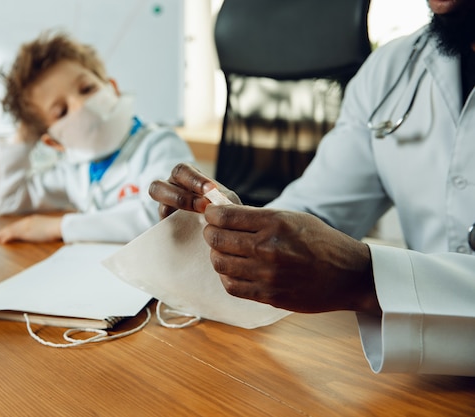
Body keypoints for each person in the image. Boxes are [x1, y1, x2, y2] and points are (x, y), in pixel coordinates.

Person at [148, 0, 475, 376]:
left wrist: (366, 278)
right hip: (423, 377)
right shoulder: (392, 70)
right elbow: (316, 212)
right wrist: (232, 227)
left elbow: (344, 264)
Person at [0, 32, 194, 244]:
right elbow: (9, 199)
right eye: (61, 112)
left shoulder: (160, 145)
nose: (81, 106)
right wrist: (25, 134)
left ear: (113, 89)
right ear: (54, 142)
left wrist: (59, 227)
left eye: (87, 89)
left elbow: (160, 220)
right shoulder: (74, 170)